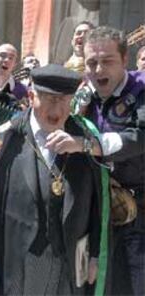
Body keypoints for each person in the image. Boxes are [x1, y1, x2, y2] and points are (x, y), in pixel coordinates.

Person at [0, 64, 104, 295]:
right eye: (49, 99)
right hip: (17, 253)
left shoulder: (85, 140)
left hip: (70, 257)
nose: (57, 109)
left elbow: (97, 203)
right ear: (31, 96)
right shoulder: (4, 138)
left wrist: (96, 254)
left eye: (64, 100)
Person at [82, 26, 145, 295]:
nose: (98, 70)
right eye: (91, 63)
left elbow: (140, 136)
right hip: (98, 214)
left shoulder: (142, 90)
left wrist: (91, 145)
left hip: (138, 214)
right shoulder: (84, 96)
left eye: (106, 61)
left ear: (124, 60)